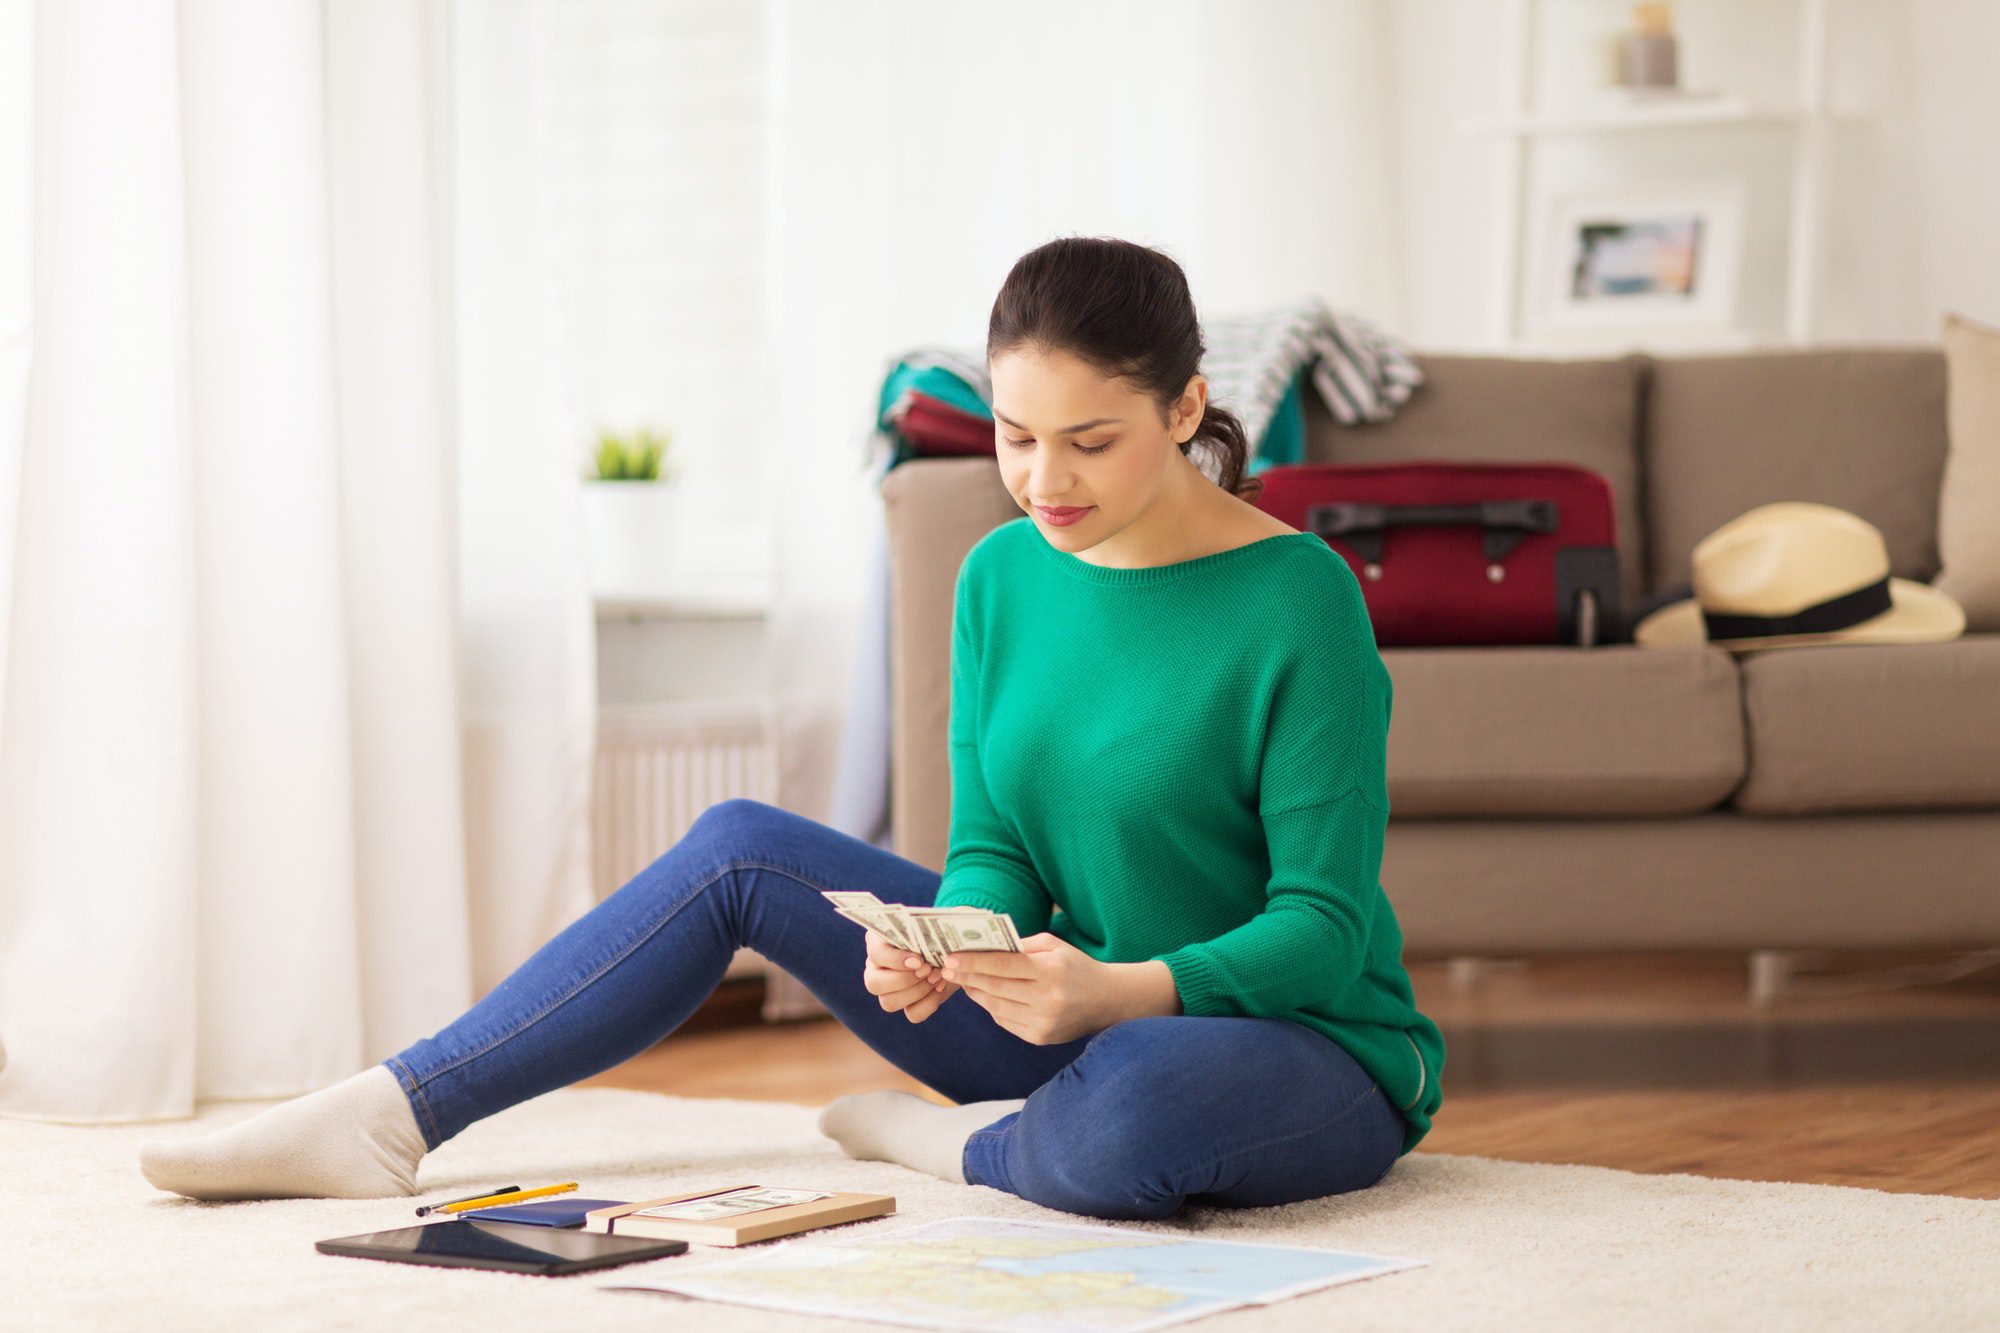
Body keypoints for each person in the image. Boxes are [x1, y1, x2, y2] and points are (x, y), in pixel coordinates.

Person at [136, 235, 1446, 1221]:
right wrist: (947, 941)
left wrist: (1123, 990)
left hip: (1289, 1042)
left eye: (1091, 442)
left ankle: (955, 1142)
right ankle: (390, 1111)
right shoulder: (1000, 574)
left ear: (1182, 408)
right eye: (1016, 435)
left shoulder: (1298, 599)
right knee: (740, 849)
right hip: (1053, 1010)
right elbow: (991, 836)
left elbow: (1323, 927)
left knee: (1144, 1102)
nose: (1045, 482)